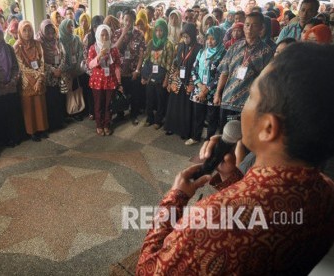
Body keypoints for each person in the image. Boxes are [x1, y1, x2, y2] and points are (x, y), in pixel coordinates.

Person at [136, 42, 334, 275]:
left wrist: (175, 199)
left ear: (268, 128)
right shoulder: (326, 191)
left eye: (250, 97)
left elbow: (149, 270)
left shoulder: (214, 217)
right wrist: (232, 178)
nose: (242, 109)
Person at [216, 12, 274, 131]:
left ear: (261, 28)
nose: (249, 29)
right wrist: (218, 93)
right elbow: (224, 72)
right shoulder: (235, 47)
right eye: (247, 25)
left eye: (254, 25)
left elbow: (266, 82)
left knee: (243, 139)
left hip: (248, 105)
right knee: (225, 135)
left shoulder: (267, 52)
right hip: (228, 99)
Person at [187, 26, 226, 146]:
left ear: (219, 39)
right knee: (197, 115)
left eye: (213, 39)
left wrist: (207, 89)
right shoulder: (202, 52)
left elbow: (222, 75)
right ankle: (195, 137)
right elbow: (194, 69)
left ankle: (210, 140)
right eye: (208, 38)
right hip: (199, 89)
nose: (209, 41)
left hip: (213, 92)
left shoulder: (223, 53)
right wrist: (199, 85)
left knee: (212, 117)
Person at [164, 23, 201, 138]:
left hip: (189, 81)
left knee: (185, 108)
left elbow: (198, 67)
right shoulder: (180, 46)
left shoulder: (199, 48)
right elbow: (175, 63)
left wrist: (193, 83)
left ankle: (183, 131)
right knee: (174, 105)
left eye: (187, 37)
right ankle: (172, 127)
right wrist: (170, 81)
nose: (185, 39)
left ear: (193, 35)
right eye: (183, 37)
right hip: (177, 80)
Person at [14, 21, 49, 142]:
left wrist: (40, 78)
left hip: (39, 78)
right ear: (20, 31)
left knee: (40, 105)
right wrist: (35, 78)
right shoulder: (17, 47)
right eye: (24, 30)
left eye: (29, 30)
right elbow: (22, 67)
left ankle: (42, 129)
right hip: (26, 81)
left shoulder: (37, 44)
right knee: (29, 107)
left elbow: (42, 62)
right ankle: (32, 131)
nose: (27, 33)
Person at [112, 9, 146, 126]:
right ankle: (120, 114)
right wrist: (123, 34)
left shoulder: (140, 34)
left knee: (134, 95)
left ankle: (134, 114)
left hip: (133, 71)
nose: (127, 23)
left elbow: (142, 54)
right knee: (120, 94)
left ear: (134, 21)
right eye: (126, 20)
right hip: (119, 71)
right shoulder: (117, 33)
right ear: (122, 20)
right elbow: (114, 49)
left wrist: (137, 70)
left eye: (130, 21)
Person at [87, 24, 121, 136]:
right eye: (102, 35)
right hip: (97, 82)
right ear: (98, 35)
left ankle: (106, 124)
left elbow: (117, 66)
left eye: (106, 34)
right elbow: (90, 65)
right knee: (98, 104)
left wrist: (119, 81)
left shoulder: (114, 49)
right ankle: (99, 125)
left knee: (108, 104)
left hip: (110, 81)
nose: (105, 37)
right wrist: (99, 56)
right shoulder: (93, 48)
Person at [142, 18, 175, 130]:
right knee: (149, 98)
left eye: (161, 30)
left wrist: (167, 79)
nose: (158, 33)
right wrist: (144, 76)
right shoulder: (151, 42)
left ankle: (158, 120)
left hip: (162, 76)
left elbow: (170, 64)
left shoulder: (168, 44)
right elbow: (146, 60)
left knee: (161, 99)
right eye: (157, 30)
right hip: (151, 75)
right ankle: (149, 118)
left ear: (165, 31)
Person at [38, 19, 66, 131]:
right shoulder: (39, 43)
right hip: (48, 76)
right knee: (50, 100)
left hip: (59, 74)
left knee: (59, 99)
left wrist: (60, 68)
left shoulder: (57, 41)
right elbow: (40, 61)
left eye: (52, 32)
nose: (50, 35)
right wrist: (52, 69)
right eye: (48, 32)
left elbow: (64, 55)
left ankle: (60, 121)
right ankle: (52, 125)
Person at [59, 18, 85, 122]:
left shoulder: (76, 39)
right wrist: (67, 69)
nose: (71, 28)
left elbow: (81, 54)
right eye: (68, 26)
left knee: (76, 90)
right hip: (65, 71)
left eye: (72, 26)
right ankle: (68, 112)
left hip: (76, 70)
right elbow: (60, 56)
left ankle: (77, 110)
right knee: (66, 91)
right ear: (63, 28)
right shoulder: (60, 40)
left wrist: (76, 68)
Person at [82, 15, 105, 121]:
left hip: (103, 72)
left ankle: (101, 113)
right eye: (95, 27)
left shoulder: (105, 36)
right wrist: (91, 70)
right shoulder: (88, 37)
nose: (97, 29)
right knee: (92, 94)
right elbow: (85, 55)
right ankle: (92, 112)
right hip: (91, 72)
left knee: (101, 95)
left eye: (99, 26)